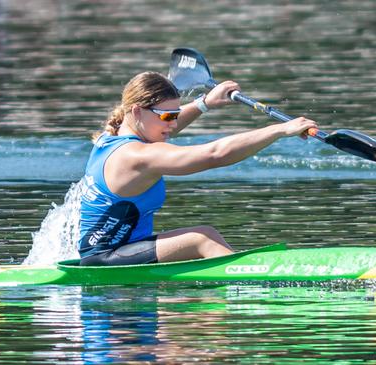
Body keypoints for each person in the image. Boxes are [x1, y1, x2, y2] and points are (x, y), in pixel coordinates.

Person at [79, 71, 317, 266]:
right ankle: (249, 284)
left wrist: (205, 103)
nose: (173, 124)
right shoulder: (137, 155)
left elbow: (162, 126)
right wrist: (279, 130)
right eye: (167, 117)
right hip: (104, 258)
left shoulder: (110, 139)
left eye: (176, 115)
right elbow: (214, 155)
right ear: (137, 111)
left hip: (112, 250)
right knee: (202, 238)